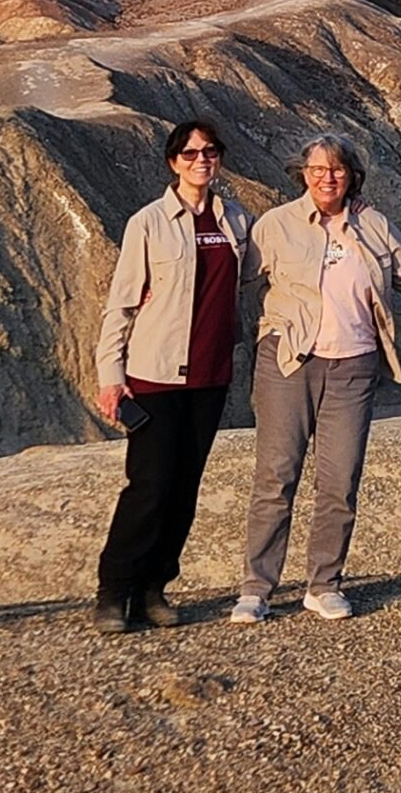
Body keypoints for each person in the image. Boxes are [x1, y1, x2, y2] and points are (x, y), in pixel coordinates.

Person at [234, 133, 401, 624]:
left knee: (339, 480)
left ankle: (325, 583)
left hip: (355, 366)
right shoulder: (276, 225)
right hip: (289, 361)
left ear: (352, 176)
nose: (327, 178)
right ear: (303, 174)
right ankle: (257, 589)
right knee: (276, 476)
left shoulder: (374, 225)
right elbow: (237, 280)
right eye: (317, 170)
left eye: (337, 170)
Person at [91, 118, 258, 632]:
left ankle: (154, 588)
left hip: (210, 375)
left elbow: (253, 275)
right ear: (173, 162)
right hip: (157, 373)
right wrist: (110, 375)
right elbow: (121, 305)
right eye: (190, 153)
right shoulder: (148, 223)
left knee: (185, 488)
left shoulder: (236, 219)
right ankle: (113, 589)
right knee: (149, 486)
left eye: (210, 151)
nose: (201, 160)